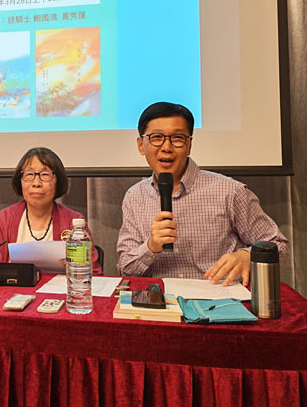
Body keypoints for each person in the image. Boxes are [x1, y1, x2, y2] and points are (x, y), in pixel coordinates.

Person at [117, 102, 288, 285]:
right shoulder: (134, 196)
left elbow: (279, 246)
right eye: (156, 137)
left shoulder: (230, 191)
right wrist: (151, 247)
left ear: (189, 144)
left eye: (177, 138)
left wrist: (248, 255)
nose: (166, 147)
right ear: (141, 145)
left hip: (219, 298)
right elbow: (125, 269)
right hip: (159, 299)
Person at [0, 147, 102, 274]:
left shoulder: (73, 222)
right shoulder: (5, 219)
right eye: (29, 174)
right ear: (20, 181)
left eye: (45, 175)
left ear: (58, 181)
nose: (36, 183)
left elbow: (93, 275)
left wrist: (75, 269)